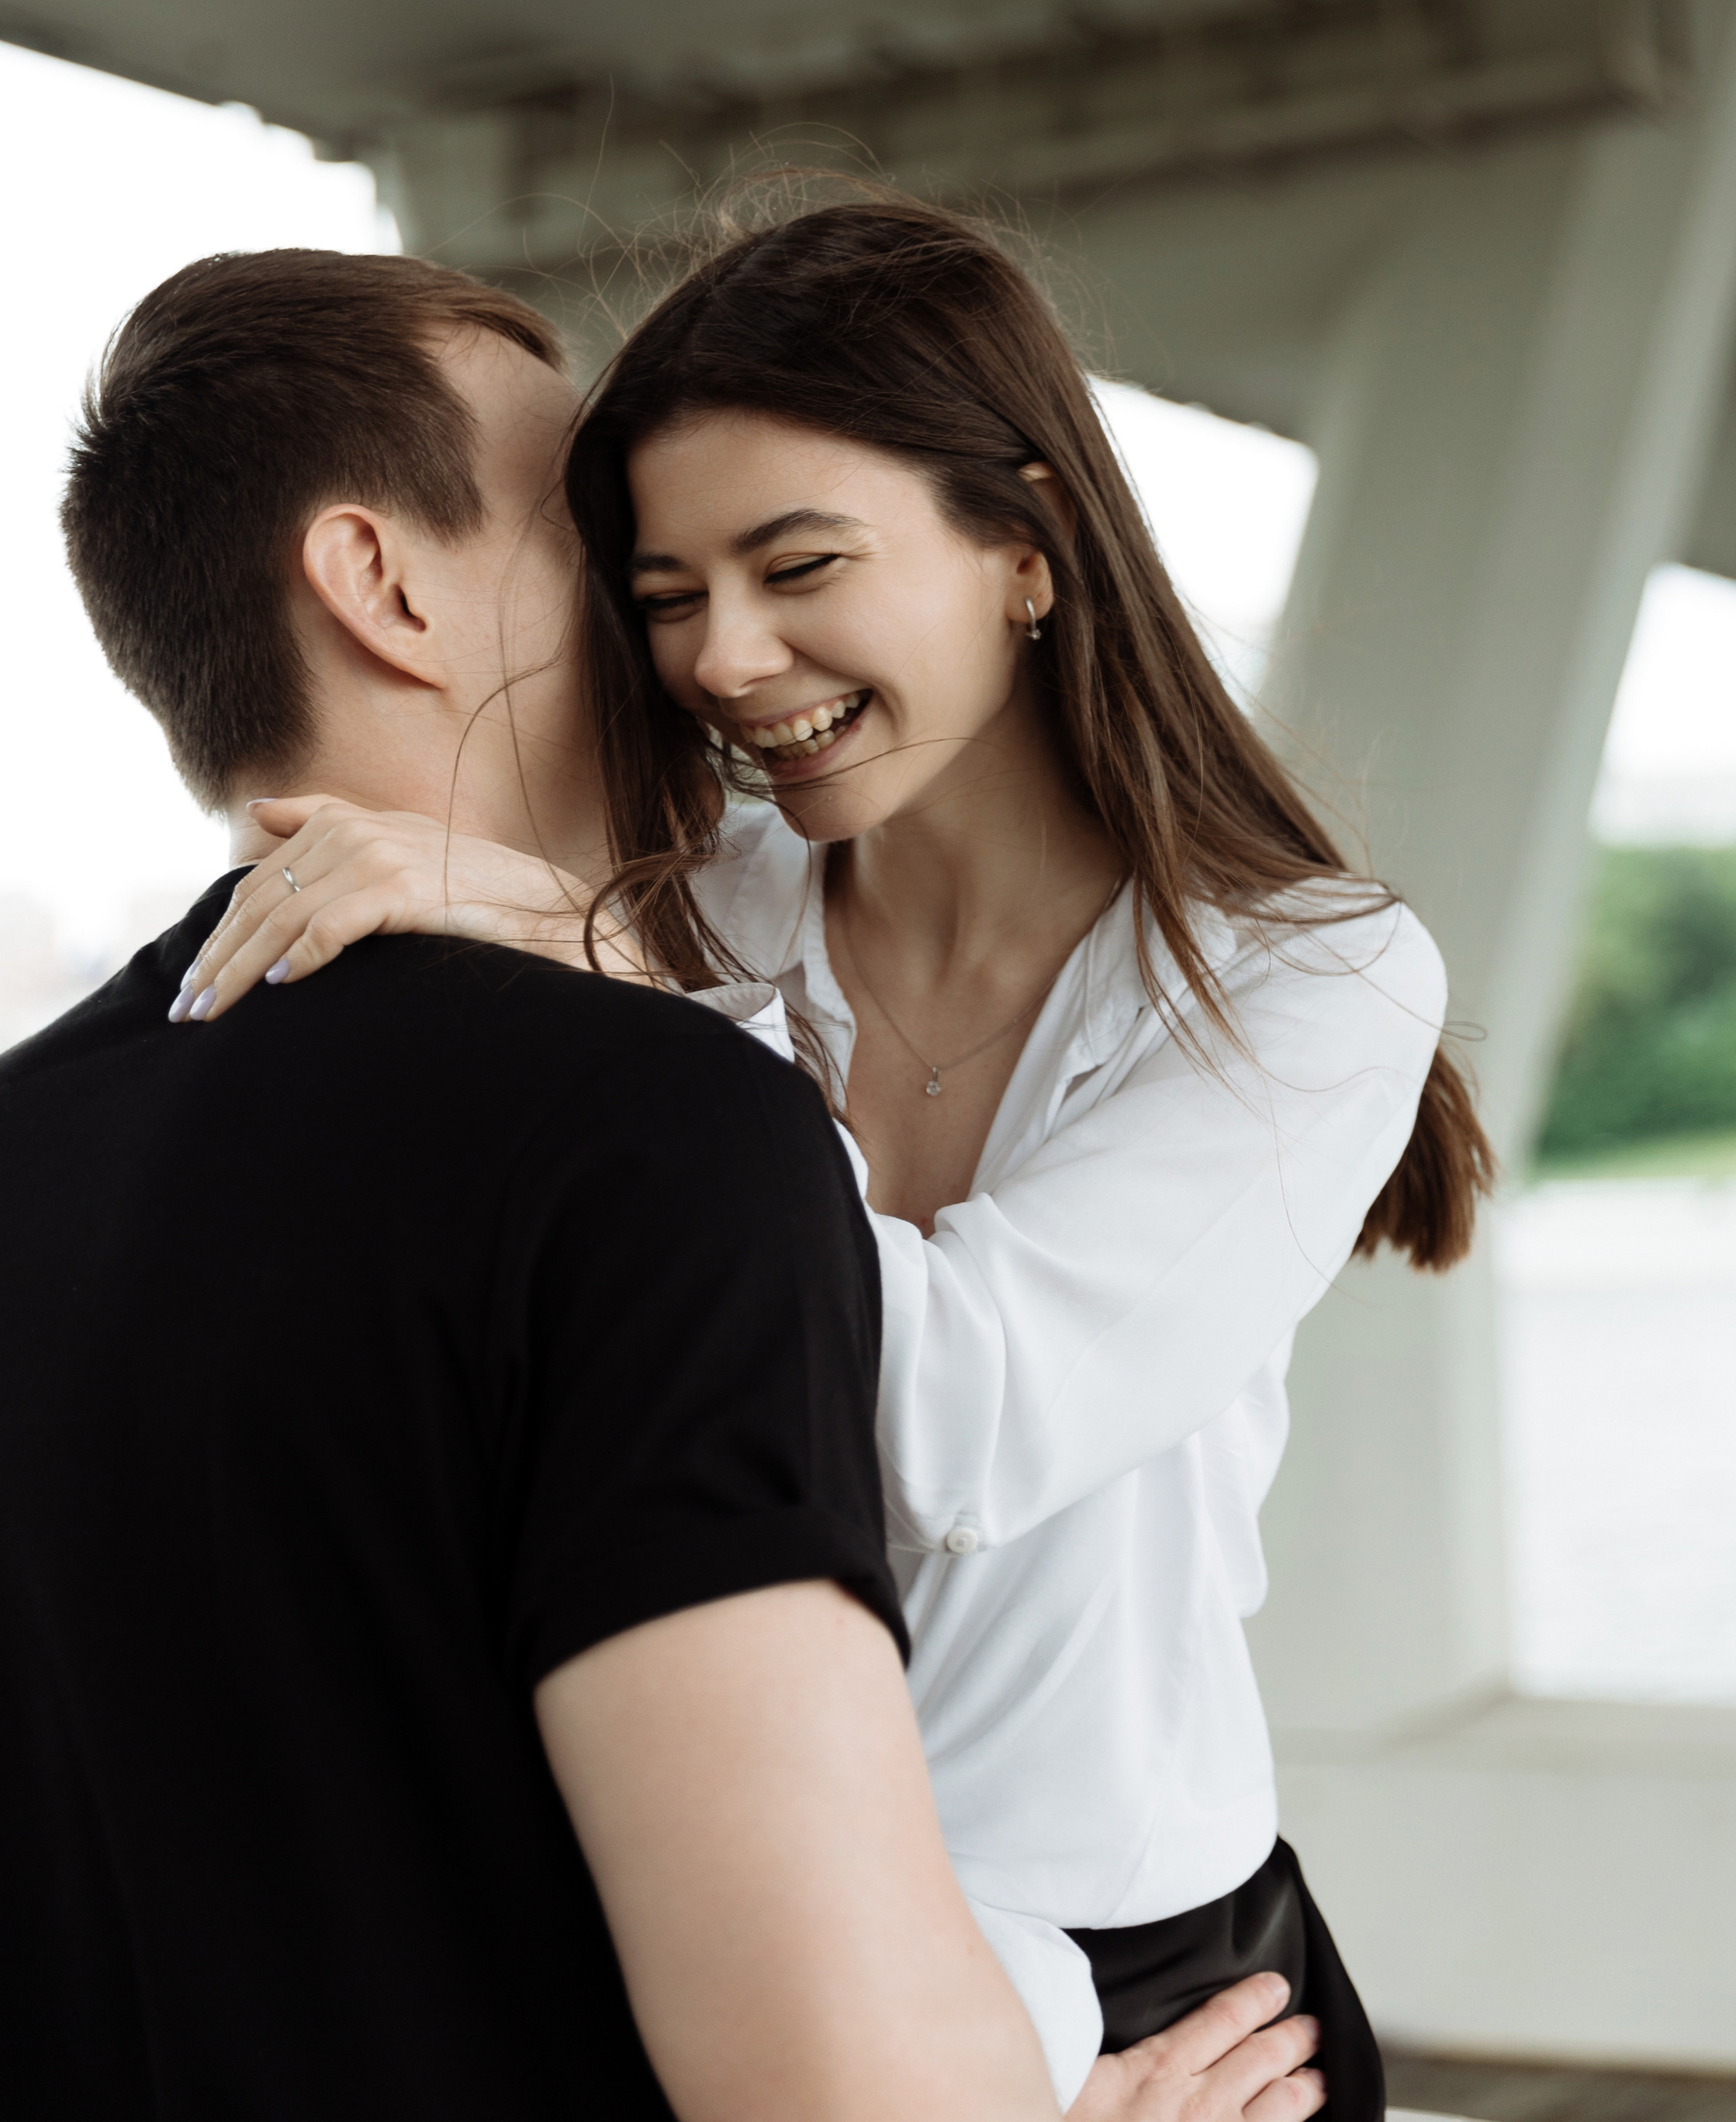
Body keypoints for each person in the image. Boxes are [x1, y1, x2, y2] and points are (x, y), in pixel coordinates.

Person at [179, 199, 1495, 2107]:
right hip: (748, 1997)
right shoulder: (677, 910)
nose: (723, 658)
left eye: (797, 564)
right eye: (661, 593)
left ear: (1025, 547)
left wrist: (621, 998)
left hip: (1166, 2008)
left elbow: (959, 1428)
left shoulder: (1306, 974)